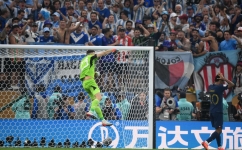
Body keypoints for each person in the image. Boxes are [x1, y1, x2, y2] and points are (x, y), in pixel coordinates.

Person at [80, 49, 118, 126]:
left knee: (95, 102)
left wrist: (94, 74)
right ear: (92, 54)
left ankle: (103, 120)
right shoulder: (91, 57)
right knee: (99, 97)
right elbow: (103, 53)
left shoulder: (82, 61)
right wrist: (112, 50)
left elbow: (86, 72)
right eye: (94, 54)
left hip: (84, 83)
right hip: (90, 81)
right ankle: (91, 111)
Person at [202, 73, 234, 150]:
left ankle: (219, 147)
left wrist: (221, 79)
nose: (223, 82)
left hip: (212, 111)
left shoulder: (210, 87)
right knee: (219, 130)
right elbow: (232, 84)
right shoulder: (220, 87)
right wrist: (225, 78)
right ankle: (206, 142)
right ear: (219, 80)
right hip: (218, 111)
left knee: (218, 130)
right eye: (222, 81)